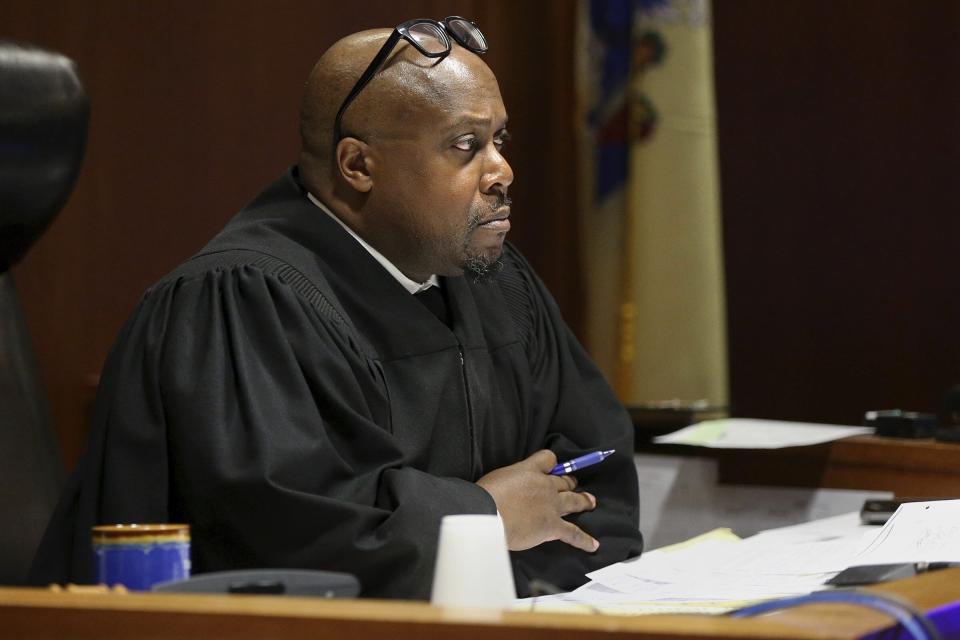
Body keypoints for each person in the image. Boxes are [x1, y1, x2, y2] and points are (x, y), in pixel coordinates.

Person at [31, 19, 643, 599]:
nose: (502, 171)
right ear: (357, 165)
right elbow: (288, 542)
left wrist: (501, 576)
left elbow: (599, 495)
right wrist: (481, 520)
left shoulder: (499, 283)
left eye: (498, 140)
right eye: (465, 144)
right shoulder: (241, 303)